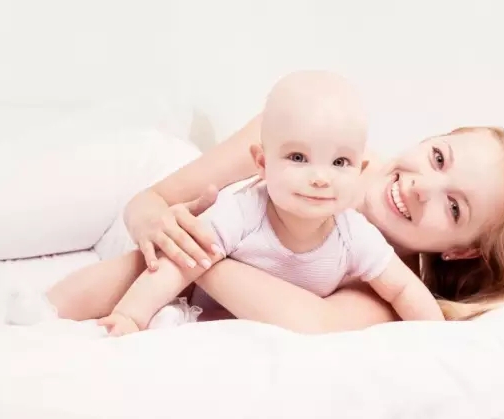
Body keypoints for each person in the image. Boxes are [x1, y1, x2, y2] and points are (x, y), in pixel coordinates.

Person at [26, 78, 504, 333]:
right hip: (183, 207)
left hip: (208, 247)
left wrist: (206, 250)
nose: (422, 187)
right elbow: (150, 199)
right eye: (438, 157)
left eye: (455, 208)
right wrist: (162, 224)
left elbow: (312, 321)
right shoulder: (302, 138)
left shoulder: (383, 280)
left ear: (461, 252)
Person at [91, 71, 443, 336]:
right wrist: (130, 316)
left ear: (358, 169)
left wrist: (441, 338)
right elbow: (181, 261)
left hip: (233, 314)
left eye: (339, 163)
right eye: (299, 158)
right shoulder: (243, 210)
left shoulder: (356, 235)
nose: (321, 178)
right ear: (261, 164)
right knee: (124, 271)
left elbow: (403, 288)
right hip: (168, 217)